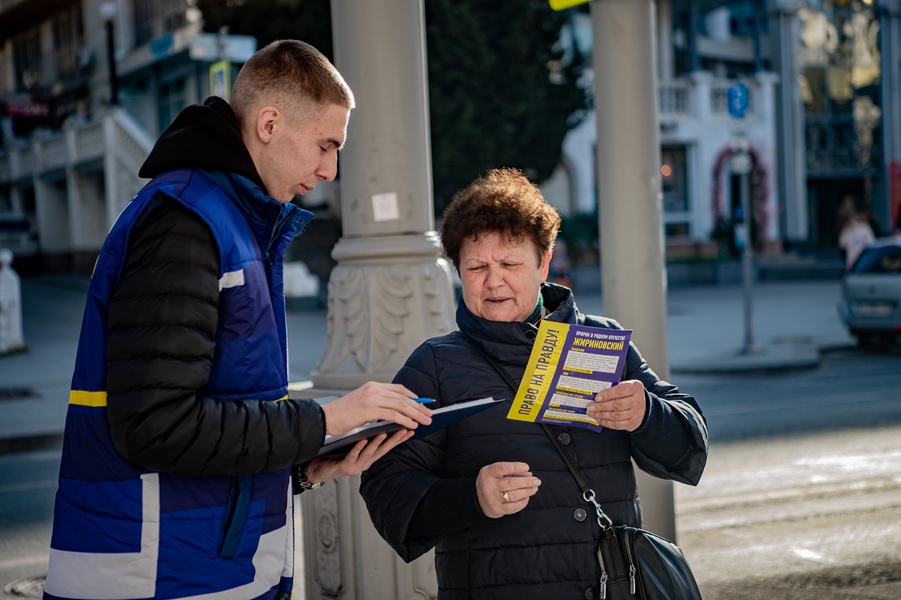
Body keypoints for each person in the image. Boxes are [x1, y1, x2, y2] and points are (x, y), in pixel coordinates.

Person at [43, 40, 432, 600]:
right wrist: (326, 420)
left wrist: (302, 467)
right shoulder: (185, 222)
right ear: (270, 123)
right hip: (154, 574)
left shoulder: (231, 221)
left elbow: (214, 418)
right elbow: (156, 425)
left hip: (194, 565)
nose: (330, 170)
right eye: (326, 145)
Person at [360, 168, 708, 600]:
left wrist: (646, 415)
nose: (493, 281)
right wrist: (471, 497)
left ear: (543, 262)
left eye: (509, 263)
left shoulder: (599, 340)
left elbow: (691, 448)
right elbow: (386, 491)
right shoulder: (433, 364)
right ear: (457, 270)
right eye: (476, 266)